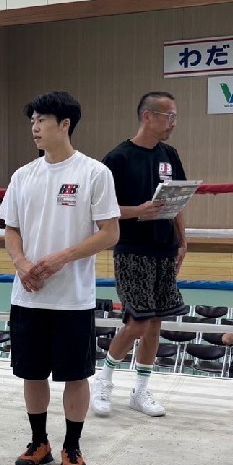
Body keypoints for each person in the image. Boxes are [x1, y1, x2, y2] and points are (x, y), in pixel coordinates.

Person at [0, 91, 120, 465]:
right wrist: (22, 264)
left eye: (42, 120)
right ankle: (39, 442)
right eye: (32, 120)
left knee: (75, 375)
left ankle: (72, 445)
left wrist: (61, 258)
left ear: (65, 125)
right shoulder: (23, 176)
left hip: (73, 298)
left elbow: (110, 233)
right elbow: (11, 229)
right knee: (32, 373)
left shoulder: (94, 173)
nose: (34, 127)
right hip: (29, 295)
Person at [91, 91, 188, 418]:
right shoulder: (117, 158)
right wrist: (138, 210)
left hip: (165, 248)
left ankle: (141, 390)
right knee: (138, 323)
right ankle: (103, 380)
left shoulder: (169, 154)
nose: (173, 123)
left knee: (155, 323)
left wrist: (183, 240)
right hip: (132, 249)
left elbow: (178, 199)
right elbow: (101, 209)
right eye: (169, 117)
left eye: (175, 117)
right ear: (148, 116)